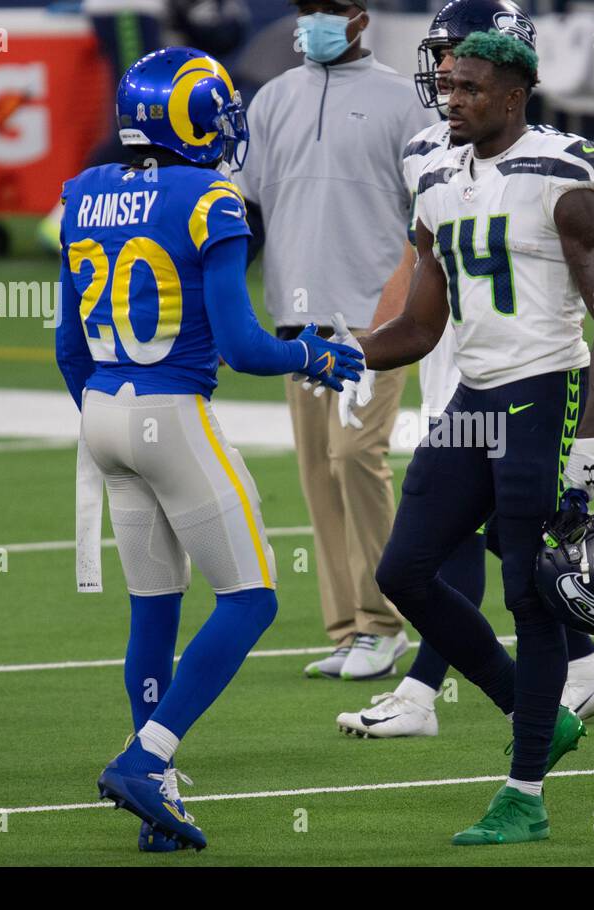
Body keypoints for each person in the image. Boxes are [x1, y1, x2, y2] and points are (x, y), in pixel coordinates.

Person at [54, 46, 362, 852]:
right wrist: (315, 357)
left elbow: (66, 346)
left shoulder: (83, 191)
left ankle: (155, 794)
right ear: (193, 118)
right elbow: (244, 345)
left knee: (153, 612)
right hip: (171, 414)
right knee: (252, 597)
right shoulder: (208, 198)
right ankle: (149, 759)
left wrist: (102, 419)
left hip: (100, 410)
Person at [341, 30, 594, 844]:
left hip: (544, 391)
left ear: (513, 93)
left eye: (468, 87)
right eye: (445, 84)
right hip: (474, 394)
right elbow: (421, 324)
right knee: (404, 568)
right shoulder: (433, 170)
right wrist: (339, 350)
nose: (451, 98)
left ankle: (525, 793)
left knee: (531, 595)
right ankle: (532, 710)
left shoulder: (564, 175)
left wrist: (591, 439)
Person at [232, 0, 432, 679]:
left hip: (372, 322)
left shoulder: (404, 101)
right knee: (319, 473)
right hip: (295, 320)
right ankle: (349, 628)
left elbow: (428, 213)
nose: (312, 20)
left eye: (329, 8)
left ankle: (383, 620)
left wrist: (407, 305)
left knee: (354, 455)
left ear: (359, 17)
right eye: (305, 8)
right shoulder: (271, 101)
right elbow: (248, 212)